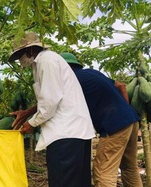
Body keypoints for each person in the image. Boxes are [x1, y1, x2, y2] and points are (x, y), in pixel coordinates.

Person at [8, 32, 96, 187]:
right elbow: (51, 96)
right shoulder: (46, 61)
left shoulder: (46, 61)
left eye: (20, 55)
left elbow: (50, 101)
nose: (20, 60)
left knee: (63, 182)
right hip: (75, 132)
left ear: (30, 50)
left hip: (65, 134)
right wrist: (27, 113)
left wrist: (31, 123)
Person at [60, 52, 143, 187]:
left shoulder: (71, 80)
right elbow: (121, 86)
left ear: (63, 67)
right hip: (131, 120)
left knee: (103, 172)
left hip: (114, 125)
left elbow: (53, 101)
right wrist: (124, 111)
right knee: (129, 168)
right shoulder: (92, 73)